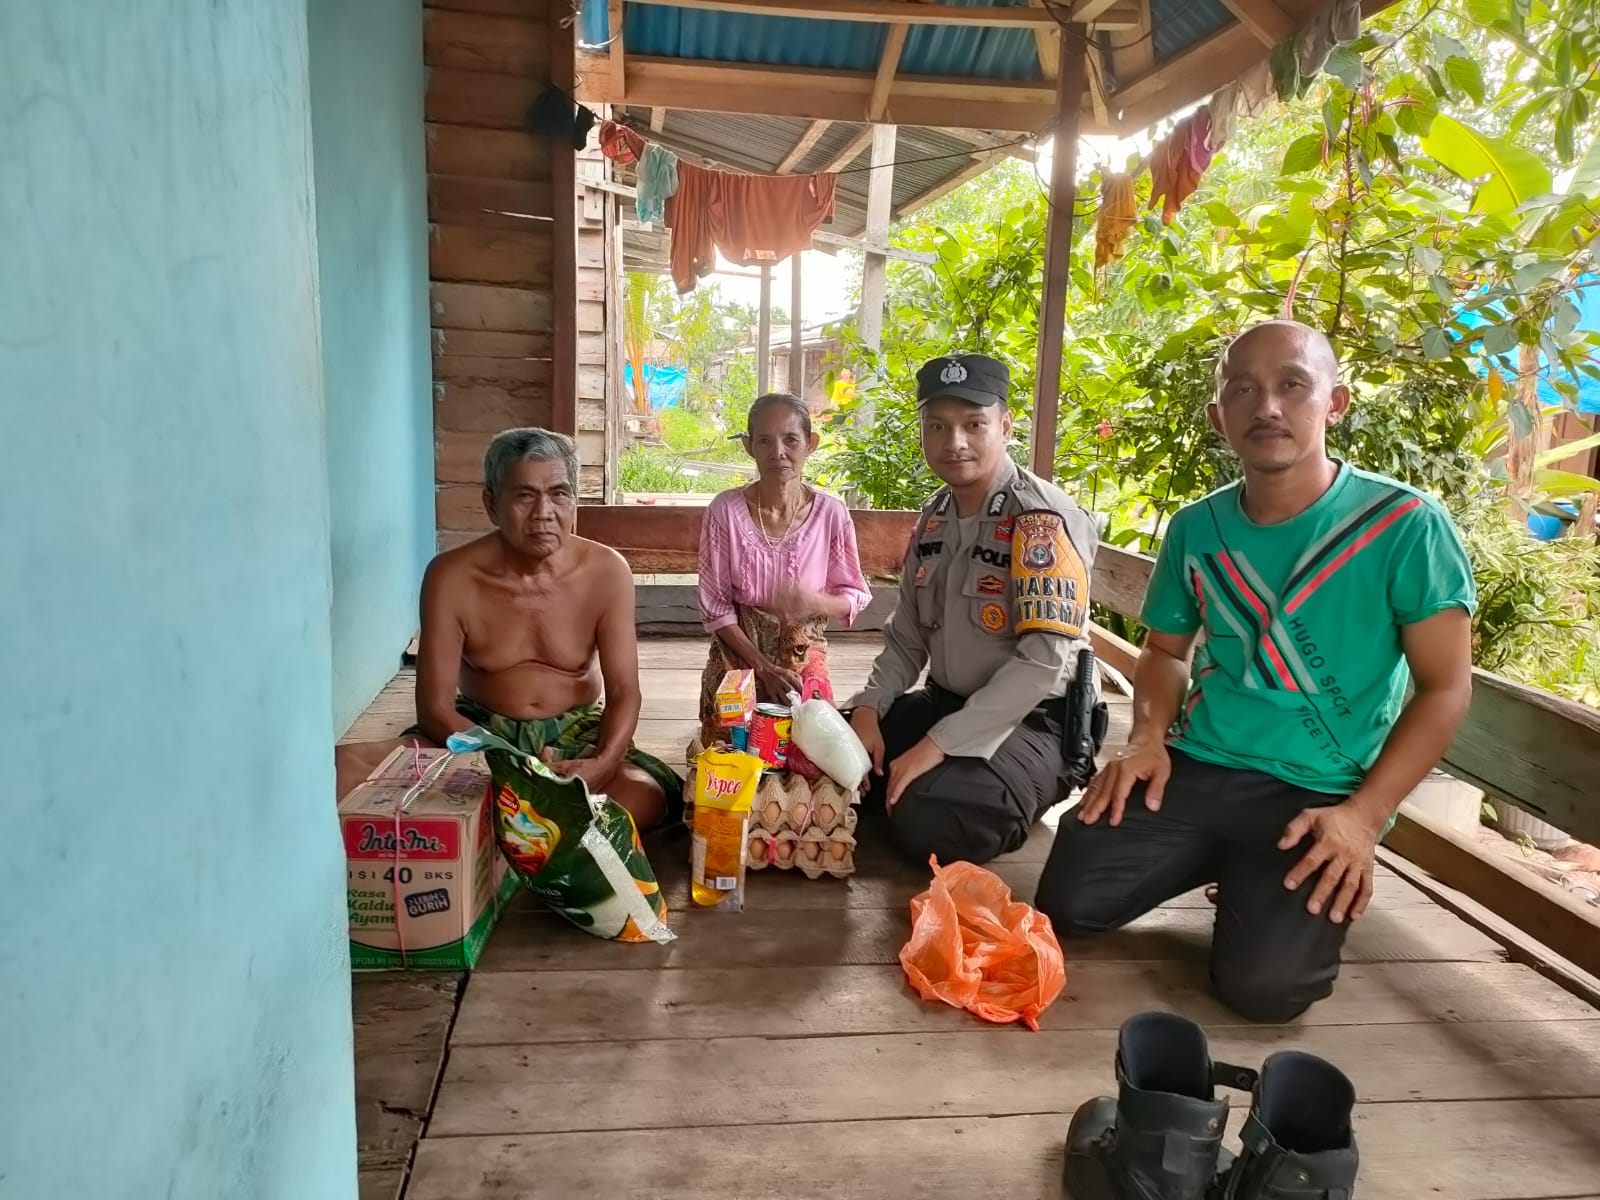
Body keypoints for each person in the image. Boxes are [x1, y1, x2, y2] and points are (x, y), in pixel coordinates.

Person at [1034, 320, 1477, 1023]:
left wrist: (1363, 819)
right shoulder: (1197, 528)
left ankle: (1254, 875)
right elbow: (1164, 652)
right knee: (1069, 904)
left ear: (1335, 403)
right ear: (1220, 417)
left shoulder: (1404, 524)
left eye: (1292, 385)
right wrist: (1146, 740)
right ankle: (1231, 863)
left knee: (1266, 994)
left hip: (1323, 789)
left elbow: (1447, 687)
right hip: (1200, 764)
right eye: (1243, 390)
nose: (1267, 406)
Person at [846, 353, 1101, 867]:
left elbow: (1042, 663)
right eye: (937, 425)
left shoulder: (1041, 522)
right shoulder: (936, 516)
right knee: (828, 747)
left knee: (933, 817)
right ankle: (933, 775)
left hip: (1033, 721)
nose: (954, 441)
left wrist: (938, 744)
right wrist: (871, 707)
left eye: (973, 424)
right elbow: (908, 636)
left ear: (1005, 426)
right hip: (946, 703)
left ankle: (1011, 784)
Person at [409, 427, 682, 828]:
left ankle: (512, 830)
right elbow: (435, 709)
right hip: (478, 735)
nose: (544, 513)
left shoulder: (606, 571)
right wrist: (509, 763)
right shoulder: (451, 577)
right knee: (346, 770)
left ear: (574, 501)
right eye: (524, 496)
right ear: (491, 504)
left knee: (646, 795)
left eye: (559, 493)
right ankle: (538, 826)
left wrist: (602, 764)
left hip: (577, 732)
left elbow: (625, 692)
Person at [696, 392, 872, 742]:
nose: (778, 452)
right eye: (764, 440)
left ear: (811, 444)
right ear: (749, 447)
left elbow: (854, 595)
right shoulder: (725, 511)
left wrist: (815, 600)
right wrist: (764, 668)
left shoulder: (831, 514)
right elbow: (714, 607)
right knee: (729, 747)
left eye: (791, 439)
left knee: (815, 742)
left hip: (803, 648)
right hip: (739, 649)